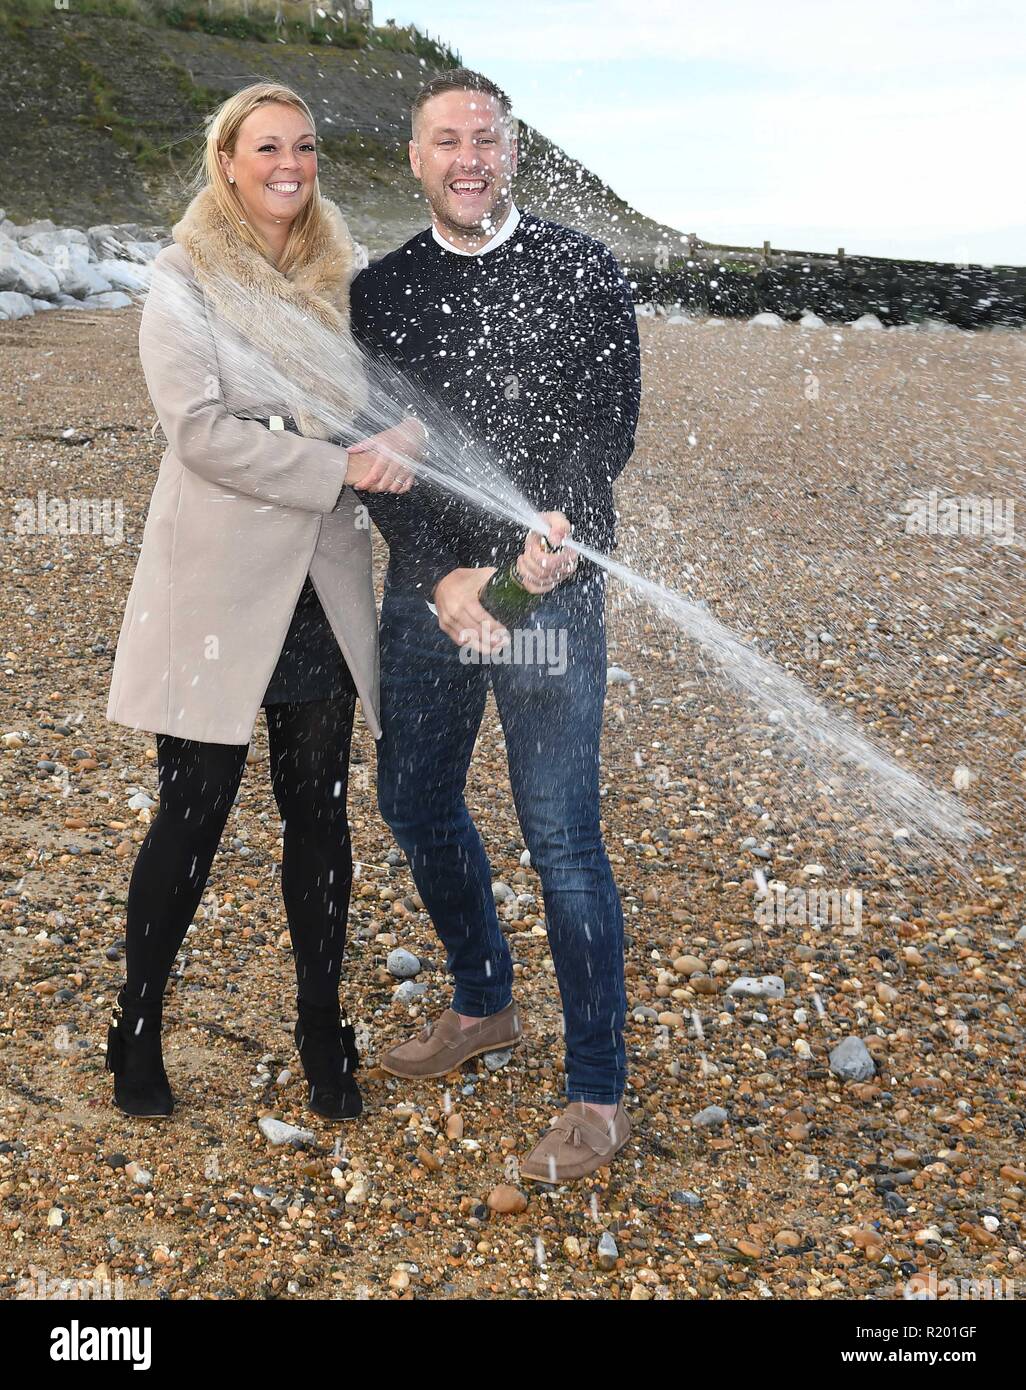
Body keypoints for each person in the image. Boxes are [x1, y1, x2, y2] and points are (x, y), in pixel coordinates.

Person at [104, 81, 416, 1122]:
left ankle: (321, 1022)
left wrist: (397, 437)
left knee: (320, 817)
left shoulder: (347, 273)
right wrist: (335, 464)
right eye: (266, 146)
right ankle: (136, 1019)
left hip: (321, 582)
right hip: (219, 583)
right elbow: (197, 430)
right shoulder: (183, 276)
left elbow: (378, 402)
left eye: (306, 146)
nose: (291, 163)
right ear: (228, 161)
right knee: (191, 813)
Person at [351, 69, 642, 1181]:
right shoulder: (381, 291)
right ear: (415, 159)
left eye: (486, 138)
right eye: (446, 141)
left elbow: (602, 428)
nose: (468, 157)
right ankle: (483, 1003)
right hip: (432, 594)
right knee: (413, 798)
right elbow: (384, 452)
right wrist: (440, 580)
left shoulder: (580, 267)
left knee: (561, 835)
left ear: (510, 152)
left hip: (547, 586)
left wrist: (539, 542)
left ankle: (598, 1091)